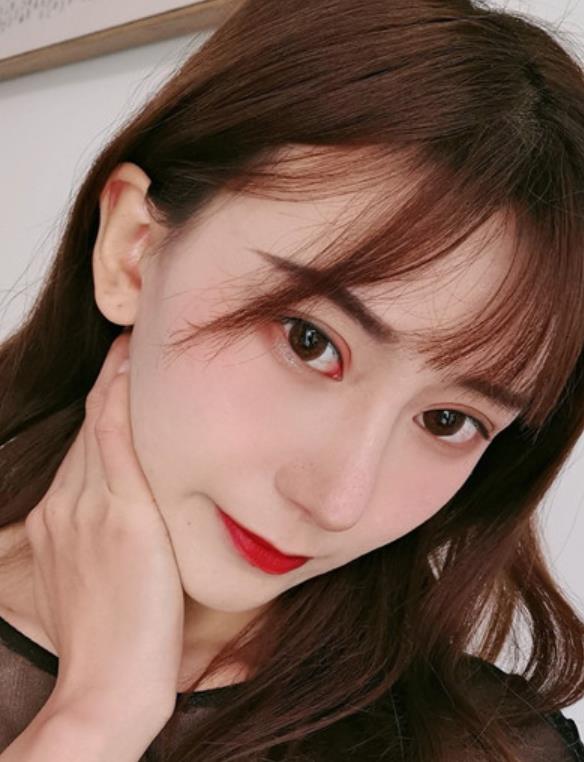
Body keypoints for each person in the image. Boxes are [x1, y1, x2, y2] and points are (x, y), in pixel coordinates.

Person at [0, 0, 584, 759]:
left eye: (449, 421)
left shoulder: (485, 746)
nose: (338, 501)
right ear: (132, 251)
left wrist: (97, 714)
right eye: (311, 342)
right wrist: (94, 720)